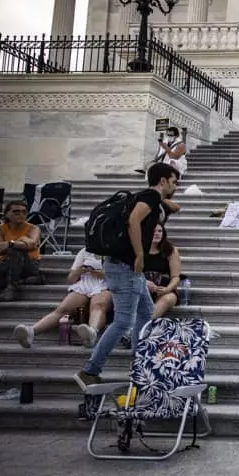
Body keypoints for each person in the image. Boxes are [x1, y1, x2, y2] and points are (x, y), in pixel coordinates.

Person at [74, 163, 180, 391]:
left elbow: (163, 208)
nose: (175, 186)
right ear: (162, 181)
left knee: (145, 314)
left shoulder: (149, 197)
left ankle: (139, 368)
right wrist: (140, 255)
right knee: (123, 322)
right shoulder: (150, 196)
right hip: (126, 268)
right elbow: (133, 220)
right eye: (173, 181)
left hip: (125, 268)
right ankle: (90, 370)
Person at [13, 247, 111, 349]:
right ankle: (31, 332)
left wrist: (102, 274)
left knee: (98, 305)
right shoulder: (84, 251)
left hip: (107, 284)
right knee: (63, 309)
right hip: (85, 285)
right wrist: (78, 271)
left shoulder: (114, 251)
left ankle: (92, 333)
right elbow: (70, 279)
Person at [0, 200, 42, 303]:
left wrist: (9, 244)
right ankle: (26, 280)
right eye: (16, 212)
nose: (21, 214)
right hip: (5, 268)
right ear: (6, 214)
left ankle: (11, 289)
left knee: (17, 250)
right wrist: (20, 242)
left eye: (24, 212)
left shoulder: (33, 228)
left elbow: (31, 244)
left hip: (29, 266)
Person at [144, 224, 183, 319]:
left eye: (159, 231)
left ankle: (143, 324)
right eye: (153, 231)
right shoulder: (138, 249)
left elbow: (176, 277)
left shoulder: (170, 250)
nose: (156, 234)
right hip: (141, 286)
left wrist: (168, 289)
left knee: (167, 299)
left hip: (164, 287)